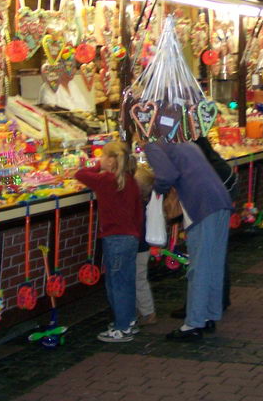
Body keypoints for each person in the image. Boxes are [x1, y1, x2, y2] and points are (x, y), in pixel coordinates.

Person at [143, 140, 232, 341]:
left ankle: (193, 323)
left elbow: (166, 175)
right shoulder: (183, 142)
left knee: (199, 267)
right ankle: (209, 314)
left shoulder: (153, 145)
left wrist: (156, 193)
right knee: (214, 263)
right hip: (219, 200)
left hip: (200, 206)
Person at [75, 141, 143, 342]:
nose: (99, 159)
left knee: (116, 284)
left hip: (115, 238)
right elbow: (138, 213)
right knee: (126, 282)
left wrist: (98, 166)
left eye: (104, 156)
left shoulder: (105, 181)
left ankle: (122, 328)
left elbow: (80, 174)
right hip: (130, 237)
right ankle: (129, 320)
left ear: (112, 161)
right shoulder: (129, 180)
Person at [133, 164, 157, 326]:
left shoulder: (138, 209)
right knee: (138, 279)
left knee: (138, 280)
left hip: (139, 247)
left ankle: (148, 312)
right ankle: (141, 309)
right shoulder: (146, 205)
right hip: (143, 247)